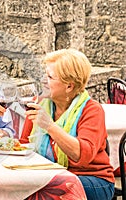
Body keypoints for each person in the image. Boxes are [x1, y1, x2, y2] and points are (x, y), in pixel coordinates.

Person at [21, 49, 115, 200]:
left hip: (92, 180)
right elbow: (24, 145)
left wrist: (50, 126)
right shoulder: (39, 104)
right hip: (48, 176)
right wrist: (3, 138)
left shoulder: (91, 110)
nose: (43, 80)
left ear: (69, 86)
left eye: (50, 77)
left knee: (48, 190)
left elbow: (81, 156)